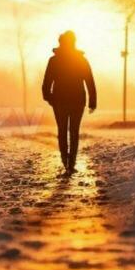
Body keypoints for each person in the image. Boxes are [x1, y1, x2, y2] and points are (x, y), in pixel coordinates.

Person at [41, 30, 97, 173]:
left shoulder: (54, 60)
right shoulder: (81, 60)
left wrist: (49, 98)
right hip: (77, 100)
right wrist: (92, 101)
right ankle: (71, 164)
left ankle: (65, 162)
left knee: (62, 131)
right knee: (74, 132)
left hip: (59, 100)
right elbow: (89, 81)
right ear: (73, 42)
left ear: (60, 43)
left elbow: (47, 83)